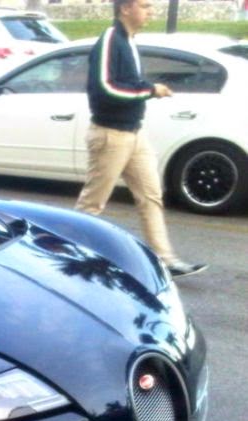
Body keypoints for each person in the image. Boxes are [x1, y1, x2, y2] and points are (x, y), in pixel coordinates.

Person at [75, 0, 205, 279]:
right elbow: (107, 87)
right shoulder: (111, 39)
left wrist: (147, 91)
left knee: (151, 196)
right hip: (111, 134)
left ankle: (165, 260)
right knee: (92, 205)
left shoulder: (129, 41)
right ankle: (74, 256)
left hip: (134, 132)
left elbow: (124, 84)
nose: (151, 12)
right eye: (145, 6)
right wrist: (150, 90)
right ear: (125, 8)